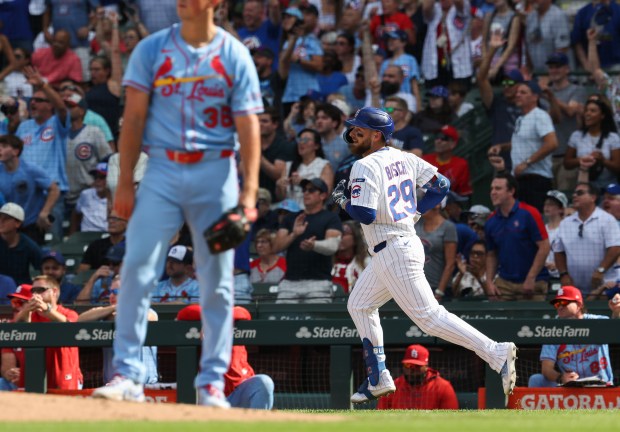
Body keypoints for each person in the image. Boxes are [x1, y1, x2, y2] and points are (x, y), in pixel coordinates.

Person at [91, 0, 263, 409]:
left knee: (218, 281)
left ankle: (211, 385)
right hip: (163, 170)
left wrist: (250, 193)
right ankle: (129, 374)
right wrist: (126, 182)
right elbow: (132, 119)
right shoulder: (151, 49)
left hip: (216, 172)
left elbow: (248, 124)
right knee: (135, 266)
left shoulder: (233, 53)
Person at [330, 106, 516, 404]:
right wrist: (416, 211)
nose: (352, 133)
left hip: (393, 248)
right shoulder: (405, 158)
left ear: (377, 135)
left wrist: (342, 199)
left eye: (359, 129)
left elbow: (363, 214)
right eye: (352, 128)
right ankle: (378, 375)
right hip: (395, 246)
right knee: (360, 304)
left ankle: (495, 352)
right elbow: (441, 185)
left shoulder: (364, 166)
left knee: (429, 318)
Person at [176, 304, 275, 409]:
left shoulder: (234, 316)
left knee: (264, 382)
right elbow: (184, 313)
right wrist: (210, 319)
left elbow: (244, 313)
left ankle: (256, 425)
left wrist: (218, 321)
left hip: (241, 392)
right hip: (212, 396)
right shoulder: (204, 314)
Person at [78, 275, 159, 386]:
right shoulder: (104, 313)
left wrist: (120, 311)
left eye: (116, 291)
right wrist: (113, 308)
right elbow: (80, 319)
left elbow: (146, 317)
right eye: (110, 292)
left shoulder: (147, 311)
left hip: (147, 385)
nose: (111, 296)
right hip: (112, 385)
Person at [528, 286, 614, 387]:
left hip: (600, 384)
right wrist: (561, 377)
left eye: (564, 303)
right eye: (557, 304)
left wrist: (617, 312)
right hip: (570, 386)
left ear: (579, 305)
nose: (560, 307)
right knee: (537, 380)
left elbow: (615, 328)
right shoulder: (553, 328)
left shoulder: (598, 322)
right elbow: (546, 369)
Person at [274, 178, 342, 303]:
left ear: (323, 195)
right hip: (290, 282)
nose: (306, 193)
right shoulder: (291, 218)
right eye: (304, 190)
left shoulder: (331, 218)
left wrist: (314, 245)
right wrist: (294, 234)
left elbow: (333, 246)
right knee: (280, 319)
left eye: (311, 190)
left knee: (318, 322)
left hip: (319, 283)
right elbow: (276, 247)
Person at [485, 172, 550, 300]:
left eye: (498, 188)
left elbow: (544, 246)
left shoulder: (529, 213)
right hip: (505, 282)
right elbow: (491, 254)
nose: (493, 192)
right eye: (492, 189)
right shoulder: (491, 221)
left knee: (532, 320)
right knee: (498, 317)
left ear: (511, 191)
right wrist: (489, 282)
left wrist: (531, 278)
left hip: (534, 280)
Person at [12, 275, 83, 389]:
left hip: (63, 375)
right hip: (34, 376)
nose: (35, 294)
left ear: (54, 291)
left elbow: (71, 328)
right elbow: (17, 328)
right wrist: (26, 310)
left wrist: (47, 309)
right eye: (33, 290)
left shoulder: (68, 313)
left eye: (40, 290)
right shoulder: (30, 314)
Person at [553, 183, 620, 296]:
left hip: (604, 287)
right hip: (575, 288)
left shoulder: (607, 220)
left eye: (579, 193)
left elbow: (615, 248)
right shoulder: (565, 223)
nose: (574, 195)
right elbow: (558, 251)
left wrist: (601, 270)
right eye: (574, 193)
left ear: (593, 198)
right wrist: (563, 274)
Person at [0, 134, 60, 245]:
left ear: (15, 151)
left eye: (4, 146)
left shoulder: (31, 170)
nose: (0, 149)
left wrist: (44, 212)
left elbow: (54, 190)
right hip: (9, 225)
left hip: (31, 224)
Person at [377, 344, 458, 409]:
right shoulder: (391, 388)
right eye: (408, 365)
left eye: (417, 366)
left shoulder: (443, 387)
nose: (412, 370)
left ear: (426, 366)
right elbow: (380, 418)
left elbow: (452, 420)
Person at [564, 99, 620, 192]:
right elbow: (567, 163)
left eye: (593, 111)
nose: (587, 114)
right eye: (586, 110)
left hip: (608, 188)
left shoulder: (612, 137)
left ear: (602, 115)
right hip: (585, 188)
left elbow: (618, 167)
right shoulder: (577, 136)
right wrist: (581, 160)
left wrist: (603, 160)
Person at [274, 129, 334, 209]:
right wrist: (279, 186)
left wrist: (303, 182)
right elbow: (281, 197)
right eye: (300, 139)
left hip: (312, 213)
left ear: (316, 145)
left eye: (306, 140)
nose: (301, 142)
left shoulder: (324, 165)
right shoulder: (288, 166)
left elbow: (326, 193)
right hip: (289, 213)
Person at [421, 0, 472, 89]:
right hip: (435, 66)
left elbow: (460, 5)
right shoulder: (435, 9)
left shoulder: (462, 6)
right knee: (436, 98)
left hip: (460, 65)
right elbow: (426, 9)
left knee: (457, 96)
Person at [415, 201, 458, 300]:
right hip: (416, 286)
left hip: (437, 288)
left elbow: (450, 264)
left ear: (437, 204)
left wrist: (440, 291)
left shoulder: (448, 227)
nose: (420, 205)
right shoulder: (415, 224)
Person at [422, 125, 473, 198]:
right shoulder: (425, 160)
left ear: (453, 144)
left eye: (444, 138)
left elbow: (464, 194)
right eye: (437, 137)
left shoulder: (461, 164)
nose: (438, 141)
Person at [524, 0, 571, 73]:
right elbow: (528, 47)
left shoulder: (558, 15)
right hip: (537, 74)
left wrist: (550, 74)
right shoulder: (530, 17)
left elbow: (562, 49)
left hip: (558, 75)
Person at [0, 202, 41, 285]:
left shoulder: (29, 246)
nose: (1, 221)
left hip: (21, 291)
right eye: (0, 218)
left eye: (6, 219)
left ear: (17, 223)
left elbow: (42, 267)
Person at [69, 162, 110, 235]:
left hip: (106, 234)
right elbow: (76, 213)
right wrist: (72, 235)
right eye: (95, 177)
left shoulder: (116, 197)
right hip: (87, 235)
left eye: (102, 177)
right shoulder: (86, 194)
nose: (97, 180)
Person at [543, 190, 568, 279]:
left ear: (561, 208)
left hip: (562, 276)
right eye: (546, 204)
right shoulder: (542, 229)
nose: (547, 207)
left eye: (551, 204)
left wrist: (557, 264)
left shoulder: (567, 229)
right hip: (544, 276)